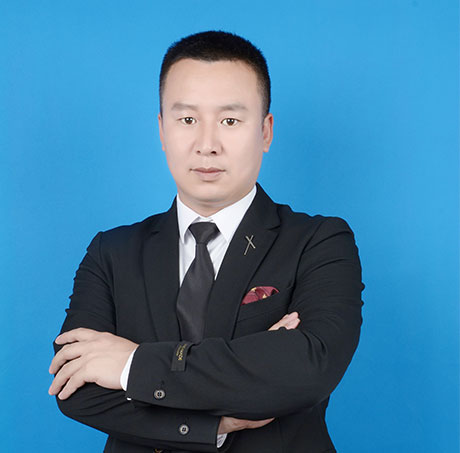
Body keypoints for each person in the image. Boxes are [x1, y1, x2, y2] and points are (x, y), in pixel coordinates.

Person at [48, 30, 364, 453]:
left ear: (265, 132)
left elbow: (307, 369)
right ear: (162, 130)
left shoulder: (319, 241)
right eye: (187, 120)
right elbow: (75, 387)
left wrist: (132, 364)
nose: (207, 145)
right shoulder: (112, 252)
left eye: (230, 121)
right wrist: (217, 421)